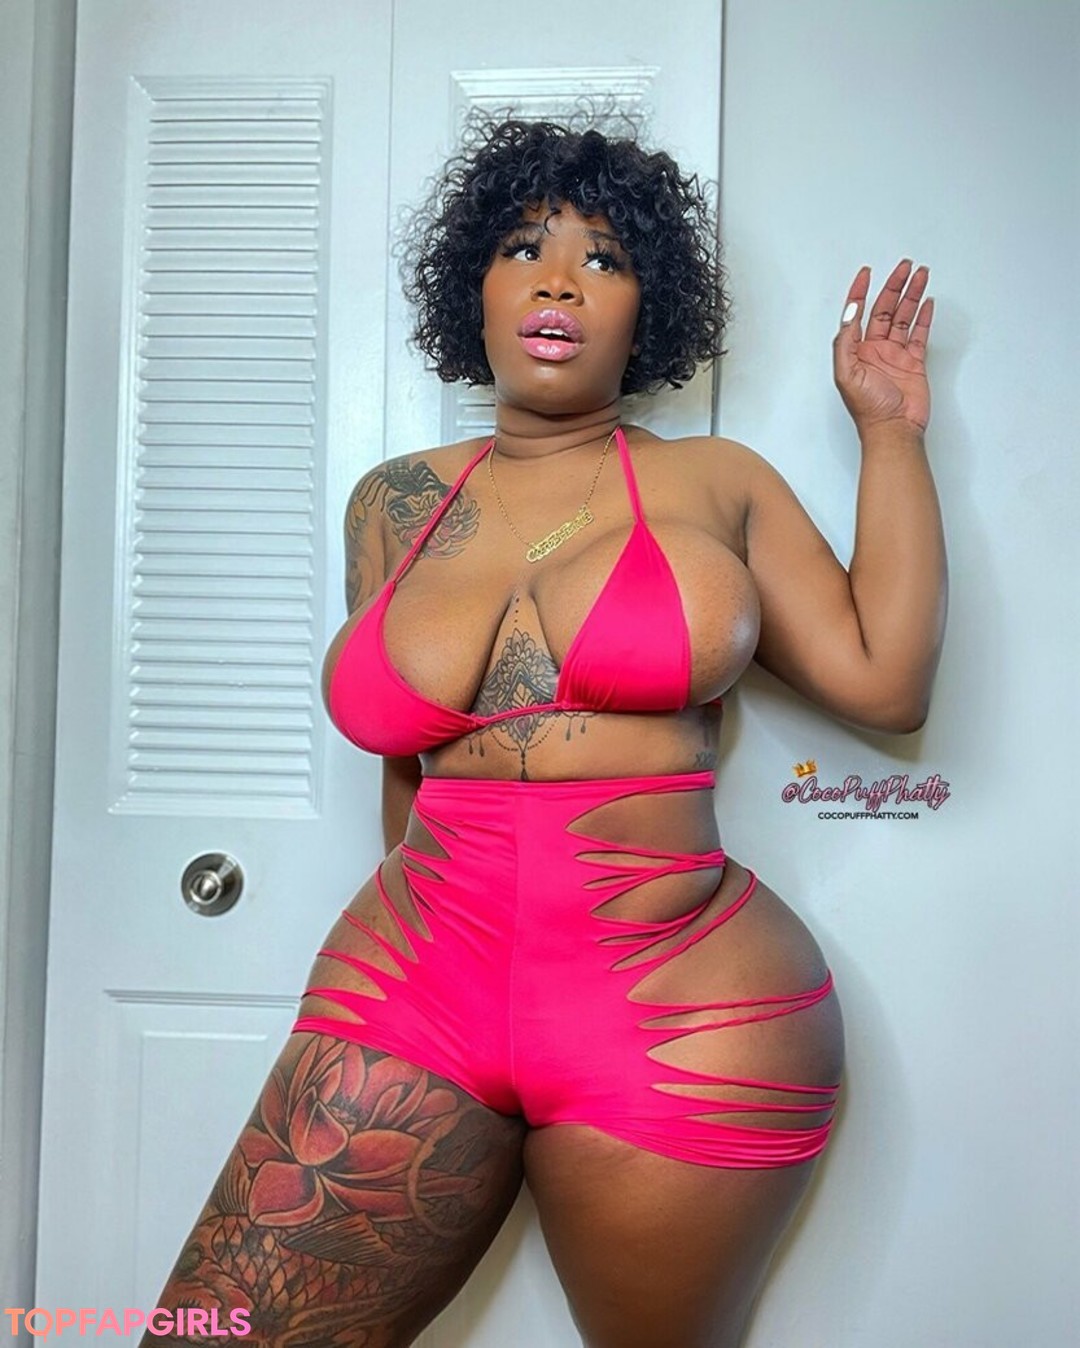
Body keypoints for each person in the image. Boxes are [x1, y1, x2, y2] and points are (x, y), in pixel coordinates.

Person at [144, 117, 945, 1348]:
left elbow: (887, 682)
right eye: (524, 247)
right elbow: (403, 771)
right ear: (473, 283)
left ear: (647, 307)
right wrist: (441, 942)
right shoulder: (394, 502)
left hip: (683, 1007)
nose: (559, 279)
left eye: (604, 258)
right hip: (417, 981)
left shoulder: (717, 481)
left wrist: (889, 433)